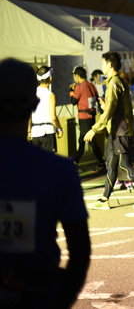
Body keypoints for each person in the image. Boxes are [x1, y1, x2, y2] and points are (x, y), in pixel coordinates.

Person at [0, 58, 91, 308]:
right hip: (37, 293)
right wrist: (59, 301)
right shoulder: (60, 170)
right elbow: (80, 252)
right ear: (33, 103)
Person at [85, 52, 134, 210]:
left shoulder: (114, 83)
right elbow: (113, 107)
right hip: (115, 131)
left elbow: (109, 111)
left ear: (110, 65)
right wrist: (105, 106)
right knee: (111, 164)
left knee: (125, 165)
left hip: (121, 132)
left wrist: (94, 129)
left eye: (103, 63)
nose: (102, 66)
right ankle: (104, 199)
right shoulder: (115, 82)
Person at [70, 66, 105, 172]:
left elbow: (73, 101)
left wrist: (71, 91)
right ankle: (76, 162)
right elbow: (97, 98)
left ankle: (101, 162)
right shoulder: (91, 85)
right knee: (84, 139)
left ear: (77, 76)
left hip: (84, 117)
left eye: (74, 75)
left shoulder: (79, 87)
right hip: (91, 116)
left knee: (88, 140)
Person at [29, 66, 64, 152]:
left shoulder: (32, 93)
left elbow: (29, 114)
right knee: (48, 159)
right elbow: (53, 118)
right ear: (50, 78)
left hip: (35, 132)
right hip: (48, 132)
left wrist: (29, 130)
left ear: (37, 78)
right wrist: (59, 128)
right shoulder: (50, 95)